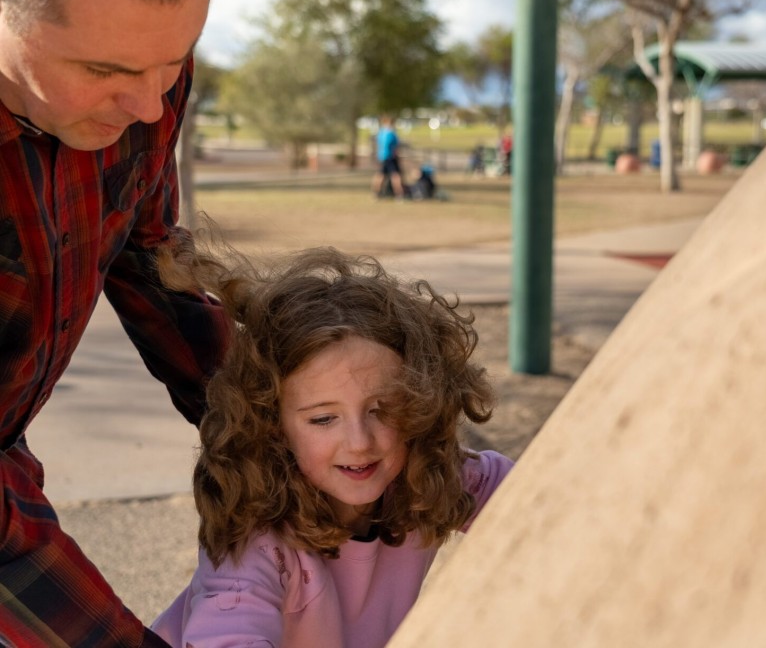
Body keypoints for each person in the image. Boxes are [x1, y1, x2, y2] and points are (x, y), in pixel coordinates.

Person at [0, 0, 230, 646]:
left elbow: (148, 250)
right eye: (104, 68)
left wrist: (273, 433)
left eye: (172, 62)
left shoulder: (145, 79)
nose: (151, 108)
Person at [151, 245, 514, 647]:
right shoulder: (257, 543)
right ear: (271, 425)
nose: (359, 443)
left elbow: (540, 495)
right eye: (323, 419)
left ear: (420, 402)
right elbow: (228, 631)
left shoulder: (423, 477)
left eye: (383, 410)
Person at [372, 114, 404, 199]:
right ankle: (399, 194)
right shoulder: (391, 134)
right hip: (390, 157)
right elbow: (395, 147)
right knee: (395, 175)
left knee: (381, 174)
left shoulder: (381, 133)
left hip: (381, 157)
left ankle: (376, 193)